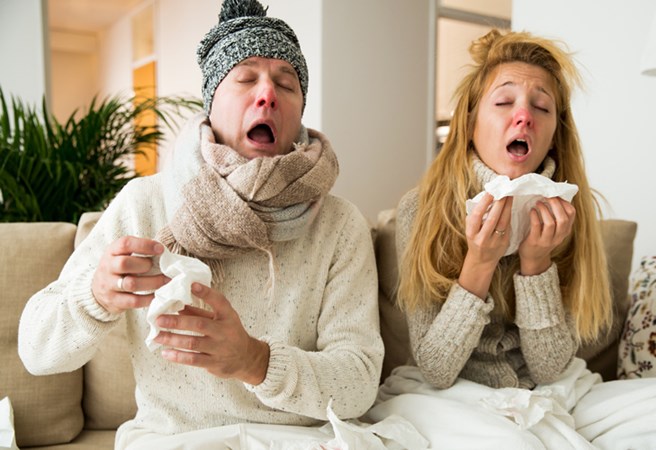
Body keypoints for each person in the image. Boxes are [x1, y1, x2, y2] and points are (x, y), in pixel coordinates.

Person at [18, 0, 383, 448]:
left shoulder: (339, 224)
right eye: (245, 79)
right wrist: (94, 296)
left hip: (302, 442)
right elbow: (35, 351)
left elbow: (359, 382)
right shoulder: (145, 204)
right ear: (211, 103)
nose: (267, 94)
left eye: (286, 84)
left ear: (300, 111)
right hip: (174, 440)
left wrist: (256, 361)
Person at [394, 29, 613, 390]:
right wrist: (480, 262)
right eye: (504, 102)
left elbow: (549, 371)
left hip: (541, 393)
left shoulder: (570, 213)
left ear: (554, 136)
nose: (524, 116)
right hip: (452, 397)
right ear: (469, 124)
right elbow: (435, 369)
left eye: (542, 107)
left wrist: (536, 263)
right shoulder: (421, 210)